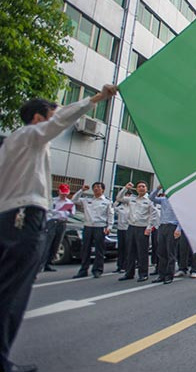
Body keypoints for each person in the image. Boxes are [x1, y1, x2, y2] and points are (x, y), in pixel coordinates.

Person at [0, 84, 117, 372]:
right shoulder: (29, 136)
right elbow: (62, 119)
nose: (59, 121)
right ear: (39, 118)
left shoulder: (16, 145)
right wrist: (97, 99)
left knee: (8, 289)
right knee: (12, 292)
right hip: (24, 217)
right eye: (52, 115)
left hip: (13, 217)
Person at [116, 181, 157, 282]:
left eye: (143, 186)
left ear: (146, 188)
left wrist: (149, 228)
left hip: (142, 228)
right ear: (136, 189)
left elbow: (153, 215)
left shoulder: (149, 200)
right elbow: (119, 198)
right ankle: (129, 273)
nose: (141, 188)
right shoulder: (132, 199)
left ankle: (143, 274)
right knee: (130, 251)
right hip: (131, 227)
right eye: (139, 187)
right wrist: (125, 188)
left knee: (142, 252)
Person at [71, 182, 115, 278]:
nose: (96, 189)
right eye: (94, 187)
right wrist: (81, 190)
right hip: (88, 226)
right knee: (85, 249)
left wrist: (109, 227)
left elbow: (110, 215)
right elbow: (74, 200)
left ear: (103, 189)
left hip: (100, 226)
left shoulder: (107, 202)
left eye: (98, 187)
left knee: (99, 250)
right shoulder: (87, 200)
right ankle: (83, 270)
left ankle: (97, 270)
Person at [40, 183, 75, 272]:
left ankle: (48, 263)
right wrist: (58, 211)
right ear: (59, 192)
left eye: (66, 193)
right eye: (62, 193)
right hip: (52, 222)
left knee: (56, 243)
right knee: (48, 242)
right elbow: (48, 211)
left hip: (62, 223)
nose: (64, 195)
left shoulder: (69, 203)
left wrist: (65, 211)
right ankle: (41, 264)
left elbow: (72, 213)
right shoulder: (53, 201)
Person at [149, 185, 181, 284]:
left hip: (172, 226)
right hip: (162, 226)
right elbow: (151, 198)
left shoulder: (178, 202)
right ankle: (161, 274)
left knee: (170, 252)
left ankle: (169, 275)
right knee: (161, 252)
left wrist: (178, 229)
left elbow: (182, 216)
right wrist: (158, 188)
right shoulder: (163, 200)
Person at [113, 196, 131, 273]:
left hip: (128, 229)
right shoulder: (120, 207)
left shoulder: (131, 207)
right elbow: (113, 208)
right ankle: (119, 265)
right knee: (121, 248)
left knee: (127, 248)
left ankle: (126, 265)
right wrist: (117, 202)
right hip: (120, 229)